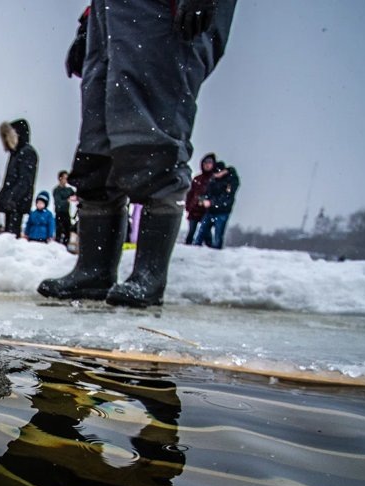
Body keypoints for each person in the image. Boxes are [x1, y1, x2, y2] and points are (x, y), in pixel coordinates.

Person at [37, 0, 237, 307]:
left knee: (151, 141)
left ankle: (149, 276)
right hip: (110, 18)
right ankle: (94, 270)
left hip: (162, 16)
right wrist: (91, 18)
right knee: (97, 151)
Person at [0, 119, 37, 237]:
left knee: (12, 236)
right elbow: (8, 181)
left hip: (17, 204)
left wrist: (13, 199)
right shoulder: (16, 154)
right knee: (8, 235)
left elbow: (25, 181)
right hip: (11, 203)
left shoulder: (27, 152)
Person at [194, 160, 238, 248]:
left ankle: (215, 251)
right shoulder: (213, 180)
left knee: (218, 235)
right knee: (202, 232)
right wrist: (203, 200)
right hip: (211, 211)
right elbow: (207, 193)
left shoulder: (230, 181)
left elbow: (226, 198)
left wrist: (211, 203)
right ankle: (200, 247)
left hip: (222, 212)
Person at [184, 152, 216, 245]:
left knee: (206, 233)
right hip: (194, 209)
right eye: (205, 163)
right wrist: (188, 206)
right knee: (191, 233)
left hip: (206, 211)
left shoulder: (214, 180)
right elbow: (190, 193)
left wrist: (211, 204)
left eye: (209, 163)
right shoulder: (197, 178)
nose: (207, 165)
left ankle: (210, 251)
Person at [52, 170, 76, 247]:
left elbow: (75, 195)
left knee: (67, 232)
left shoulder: (69, 190)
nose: (66, 180)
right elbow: (58, 202)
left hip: (66, 213)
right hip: (59, 214)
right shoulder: (56, 190)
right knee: (59, 233)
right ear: (60, 178)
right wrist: (68, 200)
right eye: (64, 178)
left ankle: (65, 247)